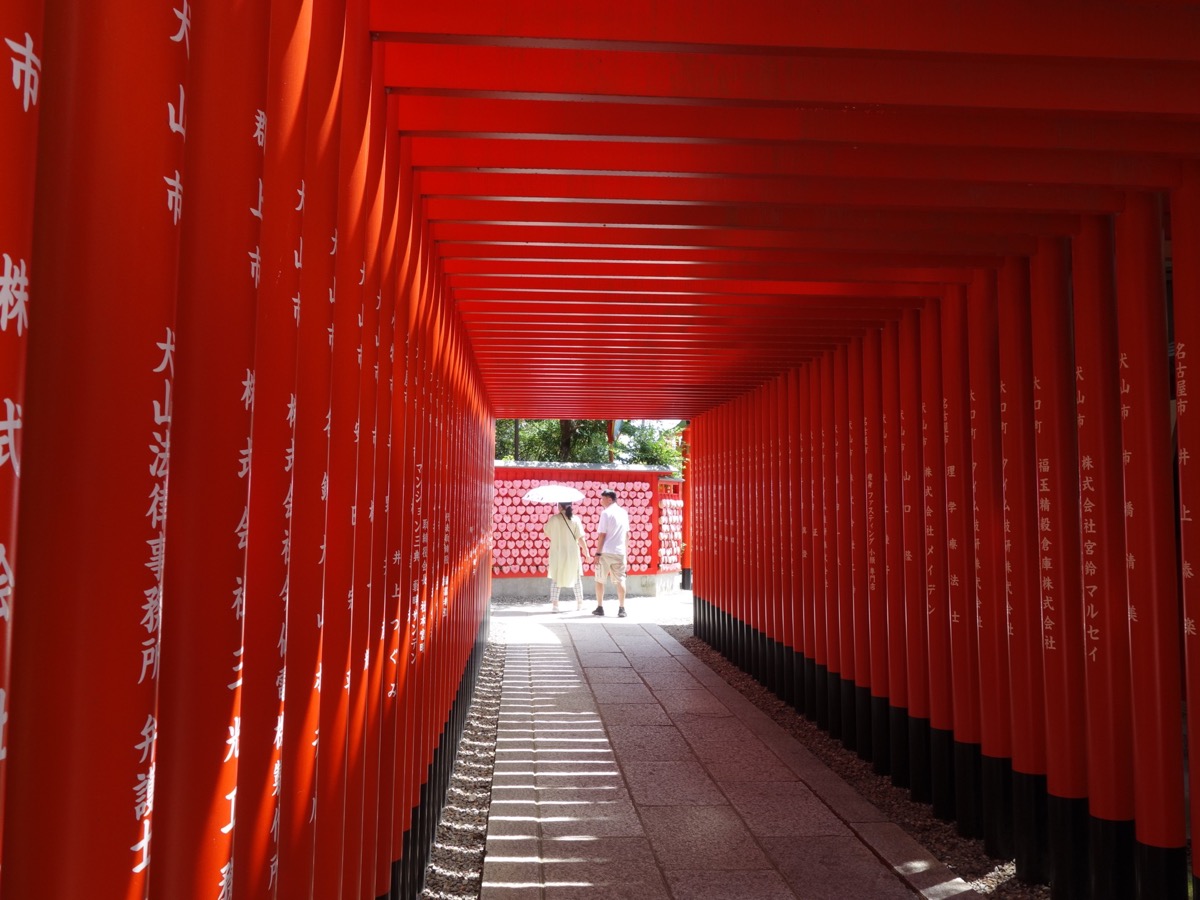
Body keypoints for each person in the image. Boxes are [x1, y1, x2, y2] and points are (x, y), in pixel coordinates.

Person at [544, 501, 591, 612]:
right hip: (572, 553)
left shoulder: (554, 519)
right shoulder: (575, 519)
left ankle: (555, 605)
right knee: (576, 577)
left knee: (556, 577)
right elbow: (580, 538)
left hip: (557, 552)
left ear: (559, 506)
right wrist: (586, 552)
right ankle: (580, 604)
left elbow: (547, 533)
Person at [592, 489, 630, 617]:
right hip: (620, 551)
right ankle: (622, 608)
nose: (601, 501)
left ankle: (600, 606)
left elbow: (602, 534)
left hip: (606, 551)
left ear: (609, 499)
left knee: (600, 579)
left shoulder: (605, 513)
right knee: (620, 580)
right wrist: (626, 554)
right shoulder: (624, 513)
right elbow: (627, 535)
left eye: (603, 498)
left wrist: (597, 553)